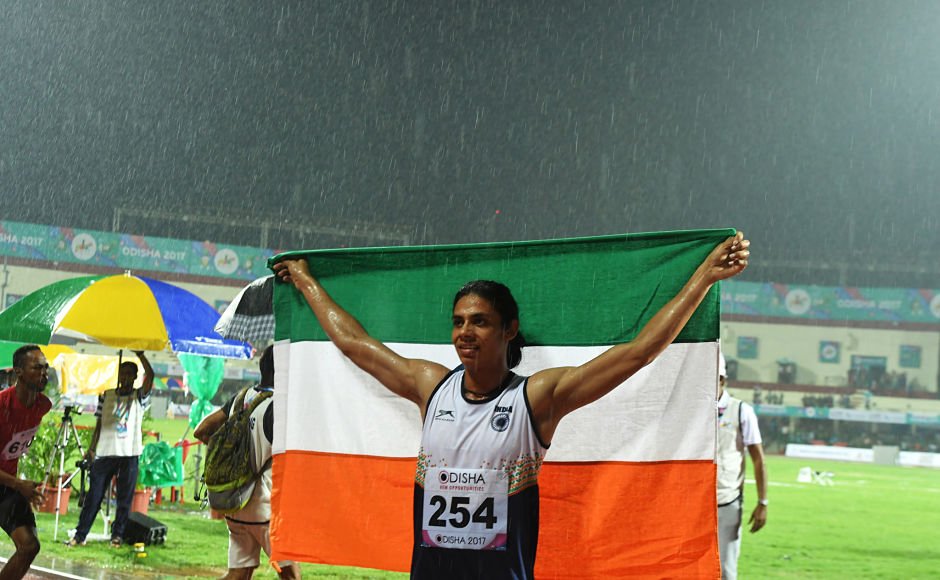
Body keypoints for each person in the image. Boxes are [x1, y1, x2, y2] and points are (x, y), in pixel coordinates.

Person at [274, 232, 749, 579]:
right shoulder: (430, 386)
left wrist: (705, 277)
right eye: (459, 321)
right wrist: (306, 281)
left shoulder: (537, 398)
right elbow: (354, 343)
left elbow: (639, 352)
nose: (465, 332)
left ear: (509, 329)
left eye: (480, 321)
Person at [194, 346, 300, 580]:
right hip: (264, 508)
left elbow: (201, 431)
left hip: (234, 502)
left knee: (239, 574)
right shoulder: (278, 407)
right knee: (290, 575)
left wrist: (230, 458)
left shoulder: (241, 398)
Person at [69, 351, 154, 548]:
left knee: (124, 499)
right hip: (105, 452)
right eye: (122, 373)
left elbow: (151, 376)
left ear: (135, 377)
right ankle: (80, 535)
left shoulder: (139, 396)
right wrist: (92, 448)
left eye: (129, 374)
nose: (125, 378)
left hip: (129, 453)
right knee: (94, 496)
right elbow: (99, 423)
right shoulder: (106, 395)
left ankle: (117, 536)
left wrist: (141, 356)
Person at [0, 345, 53, 580]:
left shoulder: (43, 406)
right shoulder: (1, 406)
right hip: (11, 483)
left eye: (46, 368)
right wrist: (19, 485)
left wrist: (18, 485)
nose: (44, 373)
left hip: (6, 485)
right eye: (37, 368)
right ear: (18, 371)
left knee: (29, 545)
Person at [716, 351, 768, 580]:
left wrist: (762, 502)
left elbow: (758, 458)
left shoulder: (741, 410)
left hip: (727, 501)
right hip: (693, 503)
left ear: (722, 380)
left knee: (726, 571)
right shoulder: (694, 410)